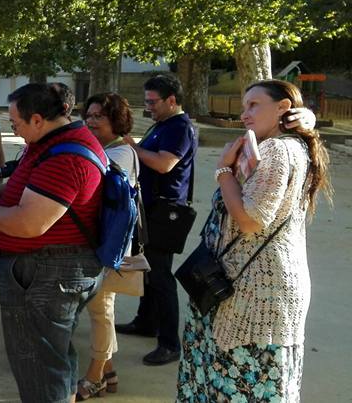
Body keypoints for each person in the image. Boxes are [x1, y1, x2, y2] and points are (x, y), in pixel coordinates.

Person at [177, 80, 331, 402]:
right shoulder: (291, 147)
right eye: (244, 105)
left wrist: (223, 171)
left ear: (283, 109)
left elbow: (250, 219)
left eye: (254, 105)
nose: (244, 113)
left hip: (252, 294)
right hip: (257, 288)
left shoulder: (277, 149)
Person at [0, 82, 105, 403]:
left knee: (39, 367)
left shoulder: (66, 157)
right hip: (51, 269)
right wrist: (0, 193)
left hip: (47, 272)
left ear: (38, 120)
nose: (14, 130)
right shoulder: (54, 142)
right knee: (54, 360)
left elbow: (30, 222)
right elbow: (40, 193)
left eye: (16, 123)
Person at [115, 74, 196, 366]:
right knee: (148, 271)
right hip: (152, 208)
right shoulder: (164, 125)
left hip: (166, 212)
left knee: (160, 276)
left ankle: (169, 343)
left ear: (171, 100)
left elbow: (164, 164)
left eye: (152, 101)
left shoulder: (179, 127)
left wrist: (132, 147)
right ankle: (146, 322)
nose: (147, 106)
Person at [77, 92, 140, 400]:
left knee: (101, 311)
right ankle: (109, 372)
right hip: (101, 244)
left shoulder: (120, 154)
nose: (91, 121)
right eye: (88, 115)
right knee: (100, 310)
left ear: (116, 120)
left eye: (98, 116)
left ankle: (94, 377)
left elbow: (92, 184)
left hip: (109, 246)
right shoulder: (103, 148)